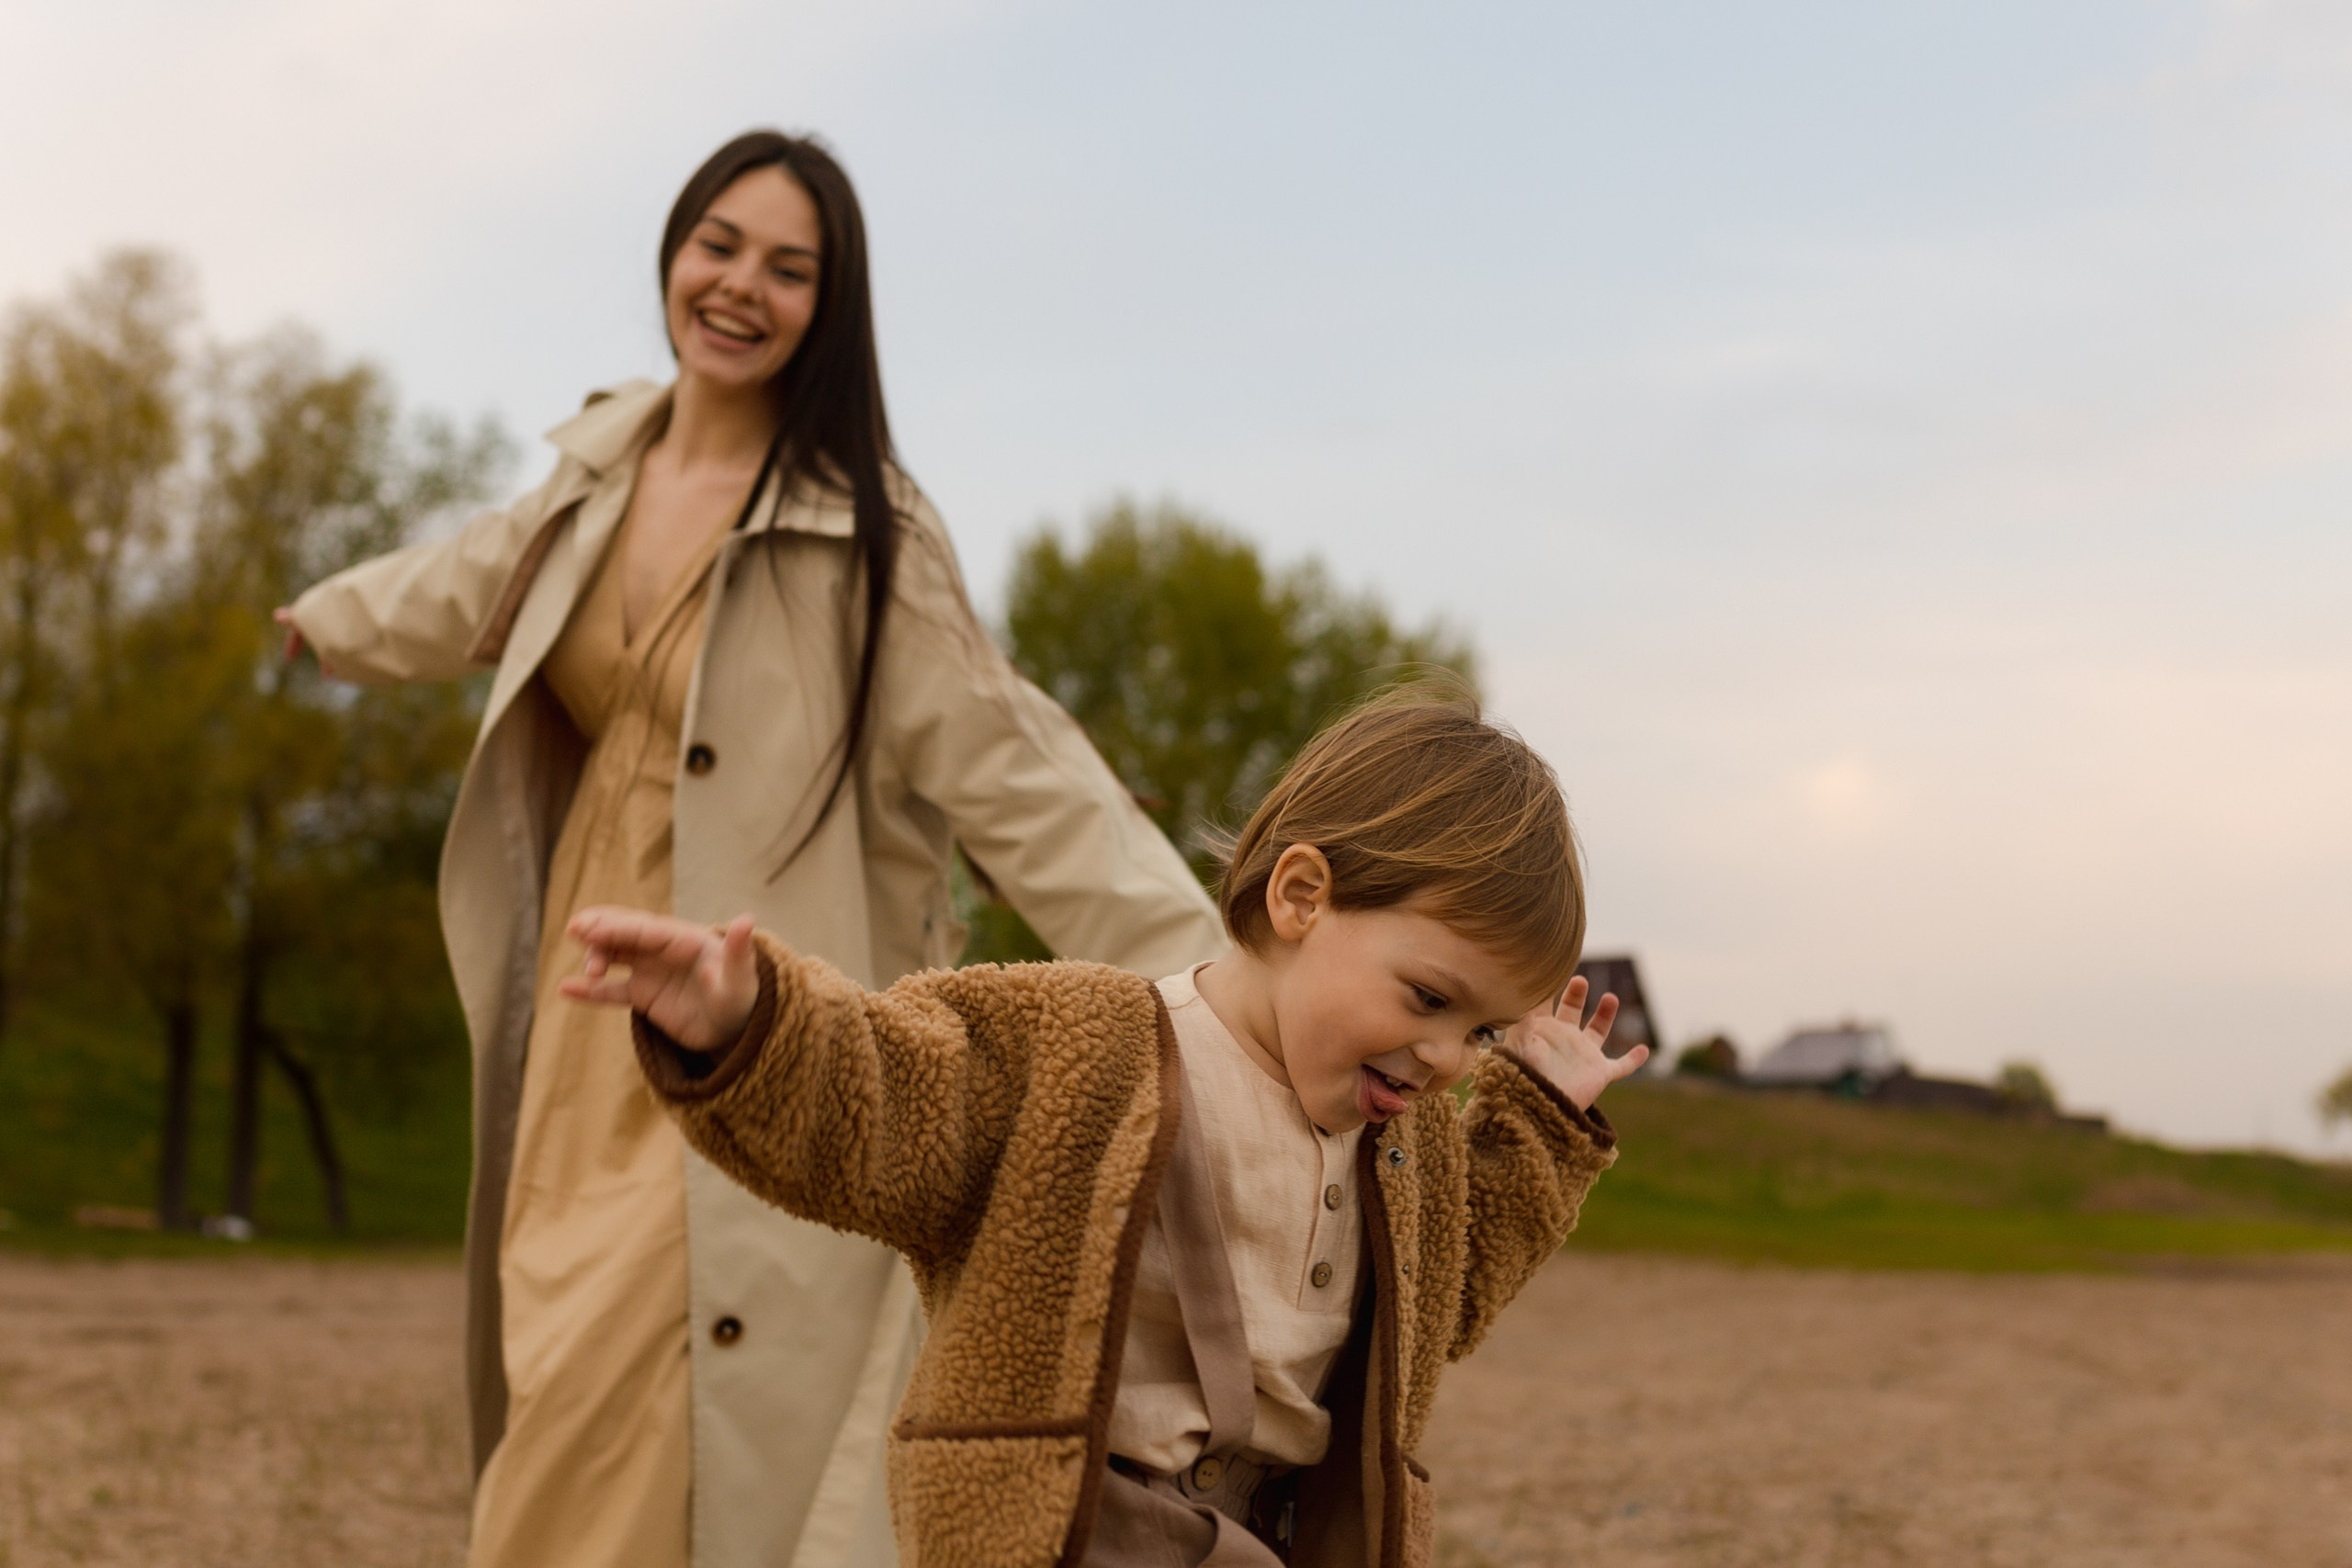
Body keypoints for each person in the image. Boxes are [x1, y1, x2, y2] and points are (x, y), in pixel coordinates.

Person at [277, 130, 1225, 1568]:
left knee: (673, 1411)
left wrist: (1222, 980)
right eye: (718, 243)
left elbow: (1026, 773)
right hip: (584, 1021)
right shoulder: (594, 476)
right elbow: (465, 577)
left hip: (754, 1019)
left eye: (790, 269)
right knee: (560, 1376)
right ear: (673, 250)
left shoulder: (866, 536)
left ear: (826, 310)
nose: (739, 286)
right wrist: (329, 619)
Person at [560, 688, 1645, 1567]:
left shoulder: (1408, 1149)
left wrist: (1543, 1121)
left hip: (1275, 1539)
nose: (1448, 1057)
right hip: (1073, 1530)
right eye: (1426, 999)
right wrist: (748, 1024)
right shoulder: (1080, 1047)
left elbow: (1445, 1297)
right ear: (1302, 897)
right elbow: (886, 1102)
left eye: (1484, 1031)